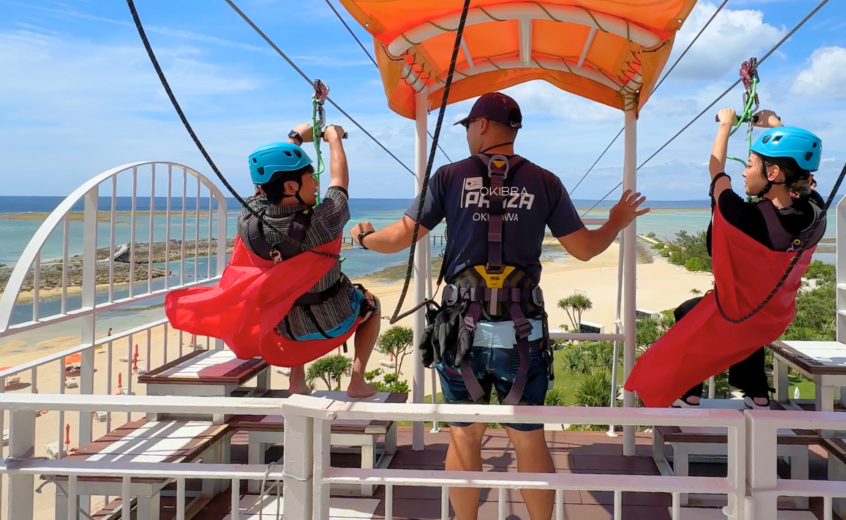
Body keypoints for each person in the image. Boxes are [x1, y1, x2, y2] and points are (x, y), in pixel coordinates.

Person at [349, 92, 648, 520]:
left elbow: (398, 237)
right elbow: (583, 248)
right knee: (528, 439)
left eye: (469, 126)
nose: (469, 134)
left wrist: (363, 238)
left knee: (464, 438)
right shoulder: (545, 181)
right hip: (522, 335)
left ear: (483, 125)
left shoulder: (449, 177)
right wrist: (616, 222)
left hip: (460, 337)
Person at [672, 107, 825, 408]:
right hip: (774, 314)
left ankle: (689, 390)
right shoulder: (815, 210)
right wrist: (776, 126)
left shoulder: (744, 216)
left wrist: (725, 125)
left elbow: (717, 170)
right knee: (749, 320)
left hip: (737, 310)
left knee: (690, 314)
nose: (744, 170)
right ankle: (754, 389)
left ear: (773, 173)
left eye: (751, 164)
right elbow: (802, 176)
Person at [237, 123, 381, 397]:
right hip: (334, 320)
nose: (317, 183)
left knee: (290, 292)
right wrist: (334, 138)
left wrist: (293, 140)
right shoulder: (322, 221)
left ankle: (296, 381)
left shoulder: (248, 220)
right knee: (372, 304)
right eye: (311, 177)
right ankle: (358, 380)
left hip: (283, 326)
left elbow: (262, 190)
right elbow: (339, 184)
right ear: (291, 185)